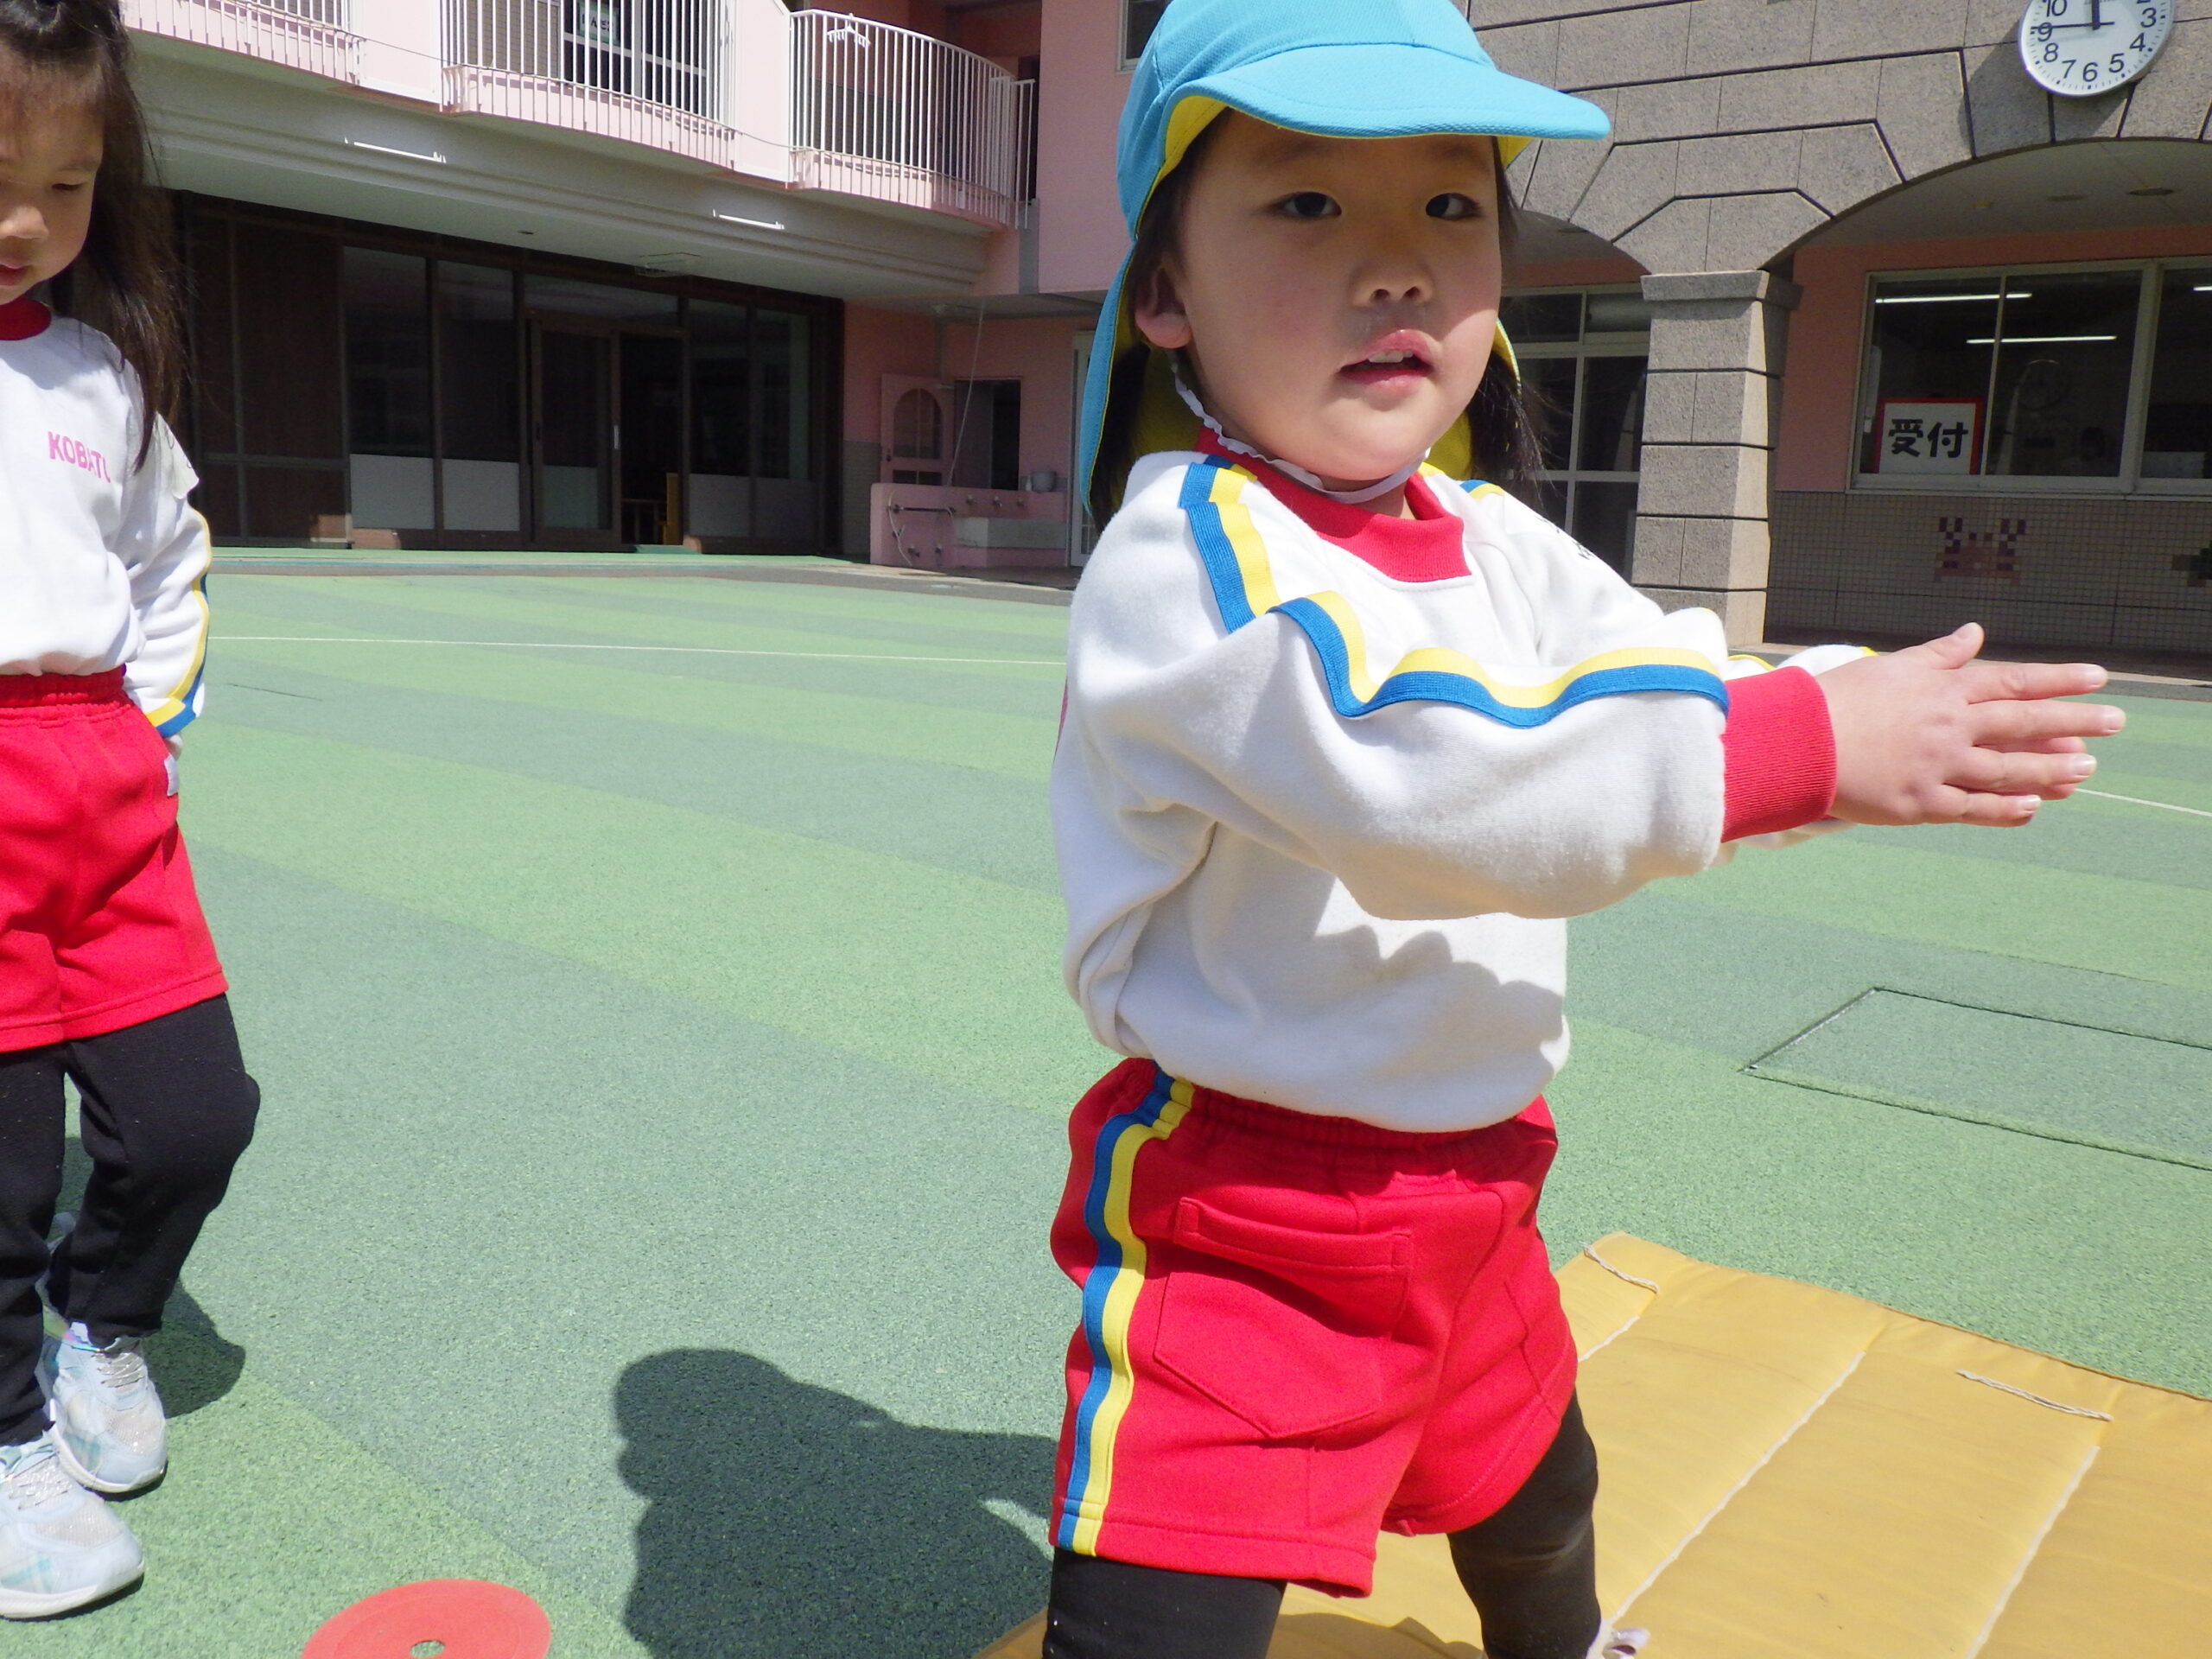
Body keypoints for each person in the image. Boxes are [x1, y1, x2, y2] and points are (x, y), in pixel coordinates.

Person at [1042, 4, 2123, 1657]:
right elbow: (1426, 782)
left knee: (1539, 1491)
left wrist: (1842, 709)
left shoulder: (1486, 535)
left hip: (1479, 1181)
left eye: (1450, 206)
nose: (1398, 266)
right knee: (1166, 1587)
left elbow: (1661, 680)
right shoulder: (1189, 559)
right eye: (1308, 202)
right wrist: (1806, 748)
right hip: (1254, 1206)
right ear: (1164, 292)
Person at [0, 0, 258, 1618]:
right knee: (2, 1169)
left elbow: (168, 564)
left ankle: (99, 1325)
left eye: (67, 185)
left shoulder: (100, 377)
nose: (29, 222)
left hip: (100, 785)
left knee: (193, 1116)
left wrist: (151, 731)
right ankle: (4, 1441)